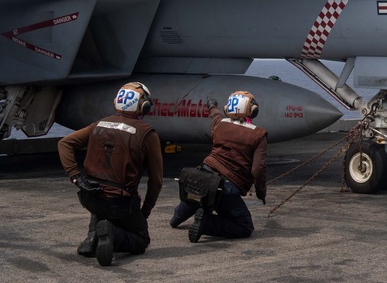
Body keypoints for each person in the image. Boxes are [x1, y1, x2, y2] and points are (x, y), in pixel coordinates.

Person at [58, 81, 163, 267]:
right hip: (120, 203)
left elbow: (64, 143)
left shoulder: (98, 125)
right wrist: (143, 213)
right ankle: (112, 234)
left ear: (116, 102)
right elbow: (156, 181)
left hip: (90, 198)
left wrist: (77, 177)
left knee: (100, 190)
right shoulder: (147, 134)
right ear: (144, 106)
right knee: (141, 240)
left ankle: (92, 238)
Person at [170, 91, 268, 242]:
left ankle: (176, 218)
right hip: (225, 189)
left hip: (202, 176)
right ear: (253, 110)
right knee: (245, 227)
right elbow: (258, 169)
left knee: (197, 194)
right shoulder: (259, 134)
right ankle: (207, 223)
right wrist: (261, 193)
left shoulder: (219, 124)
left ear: (227, 108)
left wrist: (212, 105)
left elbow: (215, 115)